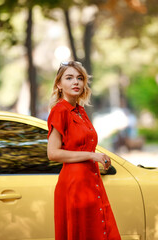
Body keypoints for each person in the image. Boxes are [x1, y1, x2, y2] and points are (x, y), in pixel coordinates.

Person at [47, 61, 121, 240]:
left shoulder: (80, 111)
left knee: (101, 232)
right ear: (59, 84)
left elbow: (85, 144)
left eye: (80, 78)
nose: (76, 82)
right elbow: (53, 153)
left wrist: (101, 157)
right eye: (69, 78)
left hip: (91, 181)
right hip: (74, 185)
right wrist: (92, 155)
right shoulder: (60, 111)